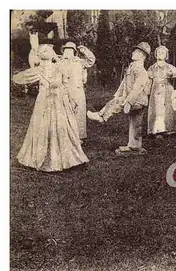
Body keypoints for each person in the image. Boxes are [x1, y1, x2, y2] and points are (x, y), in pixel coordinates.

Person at [12, 41, 89, 172]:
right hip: (44, 102)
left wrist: (71, 99)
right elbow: (18, 79)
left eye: (48, 51)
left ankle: (67, 158)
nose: (47, 53)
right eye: (44, 52)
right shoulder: (38, 70)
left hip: (60, 101)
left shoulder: (59, 67)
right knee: (43, 127)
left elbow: (65, 85)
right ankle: (42, 156)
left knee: (62, 127)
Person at [87, 42, 151, 156]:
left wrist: (129, 102)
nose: (133, 53)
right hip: (131, 98)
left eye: (136, 52)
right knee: (134, 123)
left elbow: (137, 87)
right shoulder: (132, 67)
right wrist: (118, 94)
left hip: (137, 100)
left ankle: (102, 116)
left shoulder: (140, 70)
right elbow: (123, 83)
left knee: (123, 109)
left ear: (143, 56)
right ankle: (134, 146)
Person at [59, 41, 96, 142]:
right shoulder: (61, 62)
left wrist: (84, 50)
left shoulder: (79, 61)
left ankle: (78, 136)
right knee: (65, 112)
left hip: (78, 89)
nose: (68, 51)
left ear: (74, 51)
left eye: (71, 50)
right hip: (65, 90)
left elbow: (91, 60)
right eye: (66, 49)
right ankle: (66, 136)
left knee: (79, 112)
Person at [145, 46, 176, 139]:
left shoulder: (169, 66)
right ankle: (157, 130)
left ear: (166, 55)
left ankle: (169, 129)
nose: (160, 54)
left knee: (168, 108)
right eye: (159, 52)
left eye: (163, 52)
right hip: (156, 90)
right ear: (156, 54)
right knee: (157, 109)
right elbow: (148, 78)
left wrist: (171, 74)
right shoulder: (152, 67)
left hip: (167, 89)